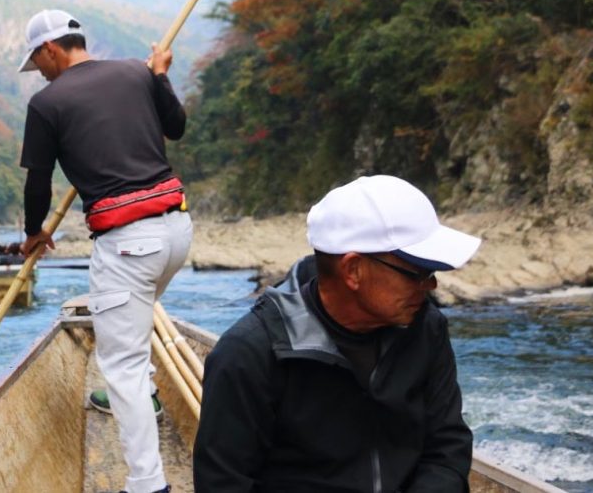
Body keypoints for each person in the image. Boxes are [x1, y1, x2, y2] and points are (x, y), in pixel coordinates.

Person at [193, 175, 481, 492]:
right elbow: (223, 484)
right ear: (353, 270)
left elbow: (446, 447)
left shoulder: (427, 329)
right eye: (417, 273)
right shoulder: (249, 355)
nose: (431, 286)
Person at [18, 8, 191, 493]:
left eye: (38, 62)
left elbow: (38, 183)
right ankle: (151, 395)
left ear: (50, 49)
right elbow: (175, 128)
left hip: (129, 242)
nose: (41, 73)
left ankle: (146, 485)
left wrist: (34, 232)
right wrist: (160, 78)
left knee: (122, 366)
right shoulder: (138, 72)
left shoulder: (47, 104)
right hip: (178, 232)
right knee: (137, 322)